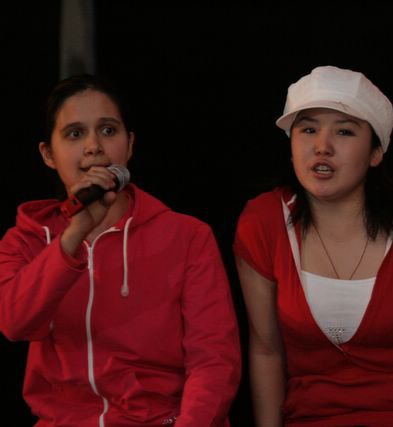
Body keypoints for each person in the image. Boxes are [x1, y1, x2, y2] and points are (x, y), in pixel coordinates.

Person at [0, 74, 241, 426]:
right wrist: (74, 233)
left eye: (108, 130)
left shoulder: (188, 236)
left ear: (129, 145)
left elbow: (214, 360)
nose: (93, 146)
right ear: (48, 154)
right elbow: (14, 322)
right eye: (75, 134)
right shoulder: (26, 240)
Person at [233, 65, 393, 426]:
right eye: (308, 130)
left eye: (344, 131)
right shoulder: (263, 221)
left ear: (375, 153)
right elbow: (266, 350)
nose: (322, 146)